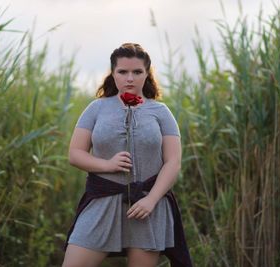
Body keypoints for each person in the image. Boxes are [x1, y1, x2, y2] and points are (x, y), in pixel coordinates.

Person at [62, 43, 192, 267]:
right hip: (102, 203)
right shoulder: (96, 109)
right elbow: (75, 154)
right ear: (113, 74)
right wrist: (107, 165)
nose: (129, 78)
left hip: (147, 208)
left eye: (137, 72)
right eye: (123, 72)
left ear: (147, 74)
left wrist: (151, 200)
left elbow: (173, 162)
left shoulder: (161, 112)